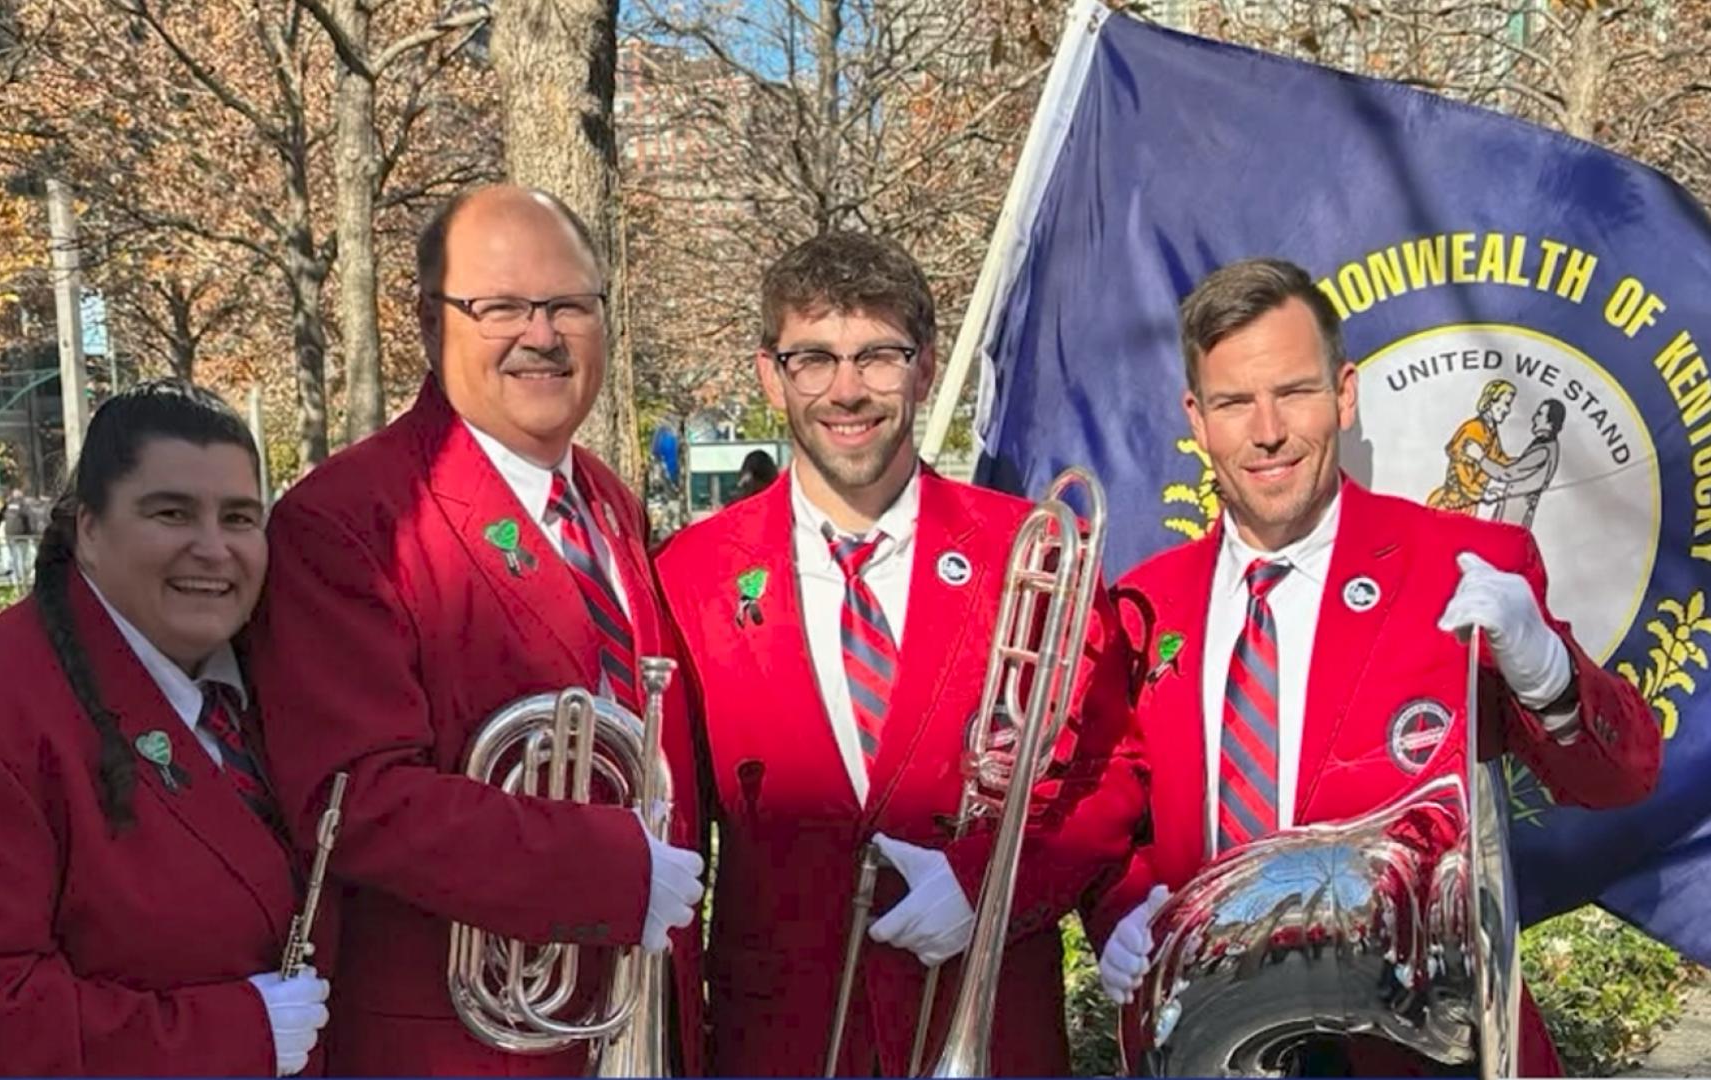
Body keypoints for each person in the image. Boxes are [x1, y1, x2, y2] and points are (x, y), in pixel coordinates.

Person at [1098, 259, 1660, 1075]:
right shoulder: (1145, 605)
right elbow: (1111, 819)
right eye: (1232, 403)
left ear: (1345, 393)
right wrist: (1122, 908)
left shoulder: (1467, 566)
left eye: (1293, 391)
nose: (1266, 430)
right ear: (1197, 417)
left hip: (1424, 1051)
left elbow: (1622, 779)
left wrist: (1548, 673)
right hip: (1211, 1040)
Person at [654, 232, 1150, 1076]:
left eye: (879, 356)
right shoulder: (690, 576)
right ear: (771, 376)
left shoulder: (1030, 552)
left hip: (985, 1026)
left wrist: (988, 887)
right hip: (779, 1046)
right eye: (813, 358)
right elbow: (671, 831)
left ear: (923, 371)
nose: (847, 391)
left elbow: (1109, 772)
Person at [247, 185, 706, 1076]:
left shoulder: (607, 502)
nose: (541, 334)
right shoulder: (349, 520)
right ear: (428, 321)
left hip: (634, 1022)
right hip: (465, 1048)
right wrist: (609, 871)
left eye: (570, 304)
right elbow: (355, 801)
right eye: (499, 306)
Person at [0, 381, 331, 1078]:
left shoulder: (269, 687)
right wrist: (237, 1033)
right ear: (88, 529)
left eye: (239, 518)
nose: (212, 547)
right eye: (170, 513)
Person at [1472, 398, 1566, 529]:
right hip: (1512, 510)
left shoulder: (1544, 450)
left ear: (1550, 423)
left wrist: (1480, 458)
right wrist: (1503, 492)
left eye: (1539, 415)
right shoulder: (1544, 445)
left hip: (1515, 515)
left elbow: (1508, 474)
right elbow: (1524, 476)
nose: (1534, 418)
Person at [1426, 377, 1515, 511]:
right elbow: (1461, 473)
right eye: (1506, 403)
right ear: (1491, 402)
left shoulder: (1491, 430)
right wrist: (1483, 495)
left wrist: (1525, 463)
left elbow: (1499, 458)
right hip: (1453, 505)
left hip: (1469, 505)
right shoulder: (1473, 429)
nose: (1508, 410)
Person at [0, 487, 35, 587]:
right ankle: (22, 579)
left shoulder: (7, 504)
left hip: (9, 534)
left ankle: (15, 579)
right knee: (22, 558)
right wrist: (31, 533)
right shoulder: (23, 505)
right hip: (21, 535)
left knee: (14, 557)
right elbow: (30, 518)